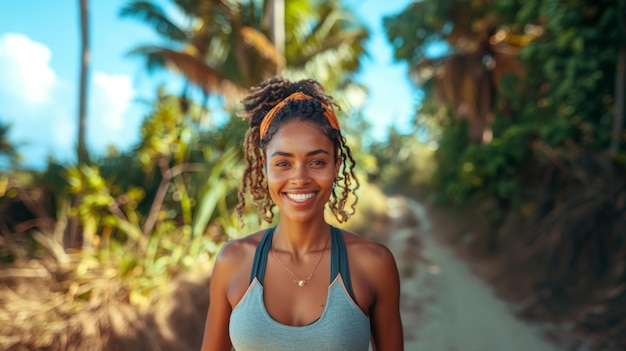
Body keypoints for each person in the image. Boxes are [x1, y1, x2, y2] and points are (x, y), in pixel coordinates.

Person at [200, 76, 403, 351]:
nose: (299, 178)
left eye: (317, 162)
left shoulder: (373, 264)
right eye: (283, 163)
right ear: (264, 167)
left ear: (336, 165)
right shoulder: (233, 262)